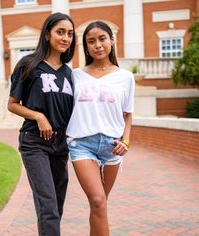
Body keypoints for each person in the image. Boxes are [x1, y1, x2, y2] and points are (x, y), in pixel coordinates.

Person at [7, 12, 75, 236]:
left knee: (57, 205)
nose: (65, 38)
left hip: (60, 146)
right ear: (47, 34)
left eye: (70, 34)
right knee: (48, 206)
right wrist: (38, 116)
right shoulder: (29, 64)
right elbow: (13, 104)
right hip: (35, 143)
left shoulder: (69, 73)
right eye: (60, 32)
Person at [66, 21, 135, 236]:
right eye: (91, 41)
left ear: (112, 40)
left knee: (99, 205)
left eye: (102, 39)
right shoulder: (74, 75)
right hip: (81, 144)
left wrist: (126, 141)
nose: (97, 45)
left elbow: (128, 113)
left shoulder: (125, 77)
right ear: (86, 47)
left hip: (112, 146)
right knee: (97, 200)